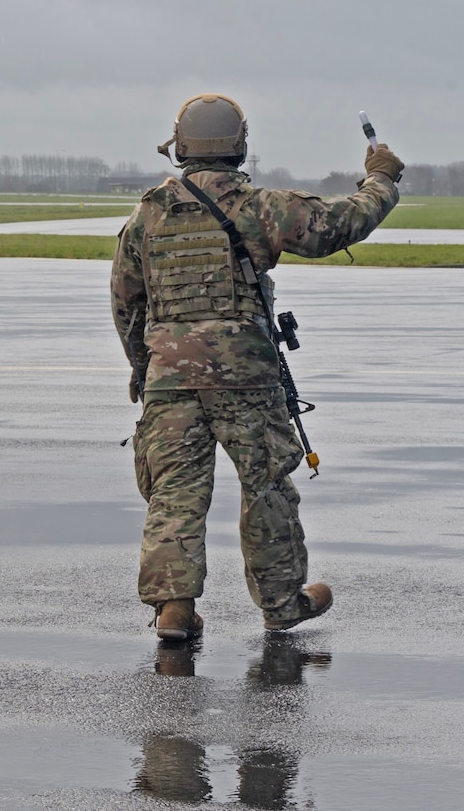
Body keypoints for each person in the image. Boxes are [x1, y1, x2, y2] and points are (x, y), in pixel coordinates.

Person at [111, 95, 404, 640]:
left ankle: (174, 610)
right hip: (244, 375)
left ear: (180, 146)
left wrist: (140, 367)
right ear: (239, 145)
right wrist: (381, 179)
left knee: (175, 492)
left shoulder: (147, 214)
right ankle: (281, 603)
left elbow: (127, 300)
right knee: (266, 485)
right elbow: (337, 224)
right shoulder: (258, 207)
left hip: (170, 379)